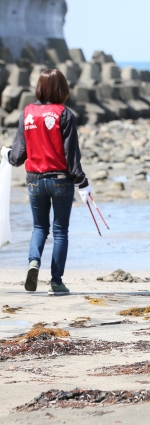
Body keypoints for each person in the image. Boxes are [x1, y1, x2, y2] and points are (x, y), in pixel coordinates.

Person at [1, 69, 91, 296]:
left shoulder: (27, 113)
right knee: (60, 231)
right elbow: (72, 157)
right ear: (62, 89)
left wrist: (7, 154)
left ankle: (33, 262)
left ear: (40, 87)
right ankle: (56, 282)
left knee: (39, 227)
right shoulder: (65, 114)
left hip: (34, 181)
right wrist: (83, 183)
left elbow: (18, 156)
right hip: (61, 181)